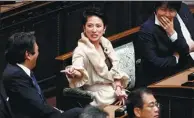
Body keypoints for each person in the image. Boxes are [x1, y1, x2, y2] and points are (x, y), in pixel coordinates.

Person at [2, 32, 83, 118]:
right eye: (37, 51)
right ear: (28, 55)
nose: (38, 54)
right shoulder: (15, 76)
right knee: (79, 112)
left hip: (43, 112)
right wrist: (60, 113)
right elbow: (39, 107)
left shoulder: (17, 69)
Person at [62, 7, 130, 106]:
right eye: (90, 26)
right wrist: (73, 72)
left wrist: (118, 88)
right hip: (97, 98)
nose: (94, 30)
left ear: (104, 28)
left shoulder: (105, 43)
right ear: (84, 28)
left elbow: (115, 69)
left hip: (114, 89)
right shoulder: (80, 50)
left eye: (98, 26)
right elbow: (79, 69)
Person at [138, 1, 194, 86]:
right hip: (157, 77)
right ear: (156, 9)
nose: (167, 14)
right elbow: (154, 62)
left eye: (171, 10)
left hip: (178, 71)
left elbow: (184, 49)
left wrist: (172, 33)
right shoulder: (146, 30)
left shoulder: (173, 21)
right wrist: (175, 58)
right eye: (163, 10)